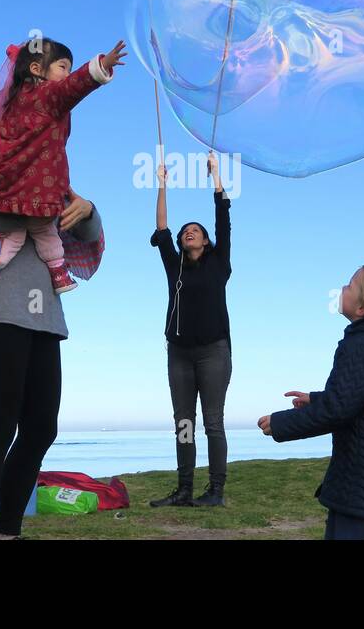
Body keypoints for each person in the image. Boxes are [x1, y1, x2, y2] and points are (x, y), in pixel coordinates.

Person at [0, 141, 106, 540]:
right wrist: (24, 207)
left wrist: (88, 211)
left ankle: (8, 531)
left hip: (46, 318)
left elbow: (81, 231)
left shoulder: (49, 172)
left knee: (41, 429)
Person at [259, 264, 364, 540]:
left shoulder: (362, 343)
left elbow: (339, 408)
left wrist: (281, 424)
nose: (342, 289)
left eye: (350, 285)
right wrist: (316, 398)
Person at [0, 38, 125, 315]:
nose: (66, 75)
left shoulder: (11, 105)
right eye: (63, 67)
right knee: (46, 228)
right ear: (37, 69)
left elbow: (87, 230)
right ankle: (59, 270)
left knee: (13, 234)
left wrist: (86, 210)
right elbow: (74, 87)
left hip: (8, 191)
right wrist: (101, 67)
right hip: (39, 193)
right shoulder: (47, 96)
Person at [147, 153, 233, 507]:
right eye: (185, 232)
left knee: (212, 422)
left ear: (207, 241)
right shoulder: (174, 266)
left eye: (194, 231)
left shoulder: (219, 263)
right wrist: (162, 183)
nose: (188, 233)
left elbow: (224, 218)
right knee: (184, 422)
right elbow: (163, 228)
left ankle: (215, 491)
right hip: (179, 354)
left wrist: (216, 177)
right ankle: (184, 489)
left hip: (213, 351)